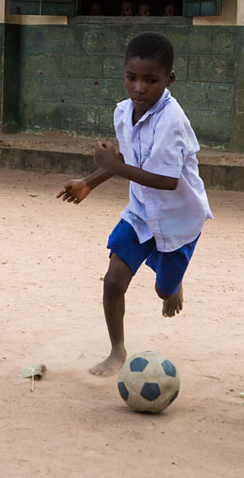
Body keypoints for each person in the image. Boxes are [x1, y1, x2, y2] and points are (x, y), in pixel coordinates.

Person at [57, 32, 213, 377]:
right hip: (141, 213)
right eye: (132, 77)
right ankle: (117, 350)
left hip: (177, 218)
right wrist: (89, 182)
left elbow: (166, 180)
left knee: (163, 290)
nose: (139, 88)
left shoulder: (172, 120)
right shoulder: (123, 112)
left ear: (169, 79)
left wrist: (112, 165)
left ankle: (173, 282)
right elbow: (129, 154)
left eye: (150, 80)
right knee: (113, 280)